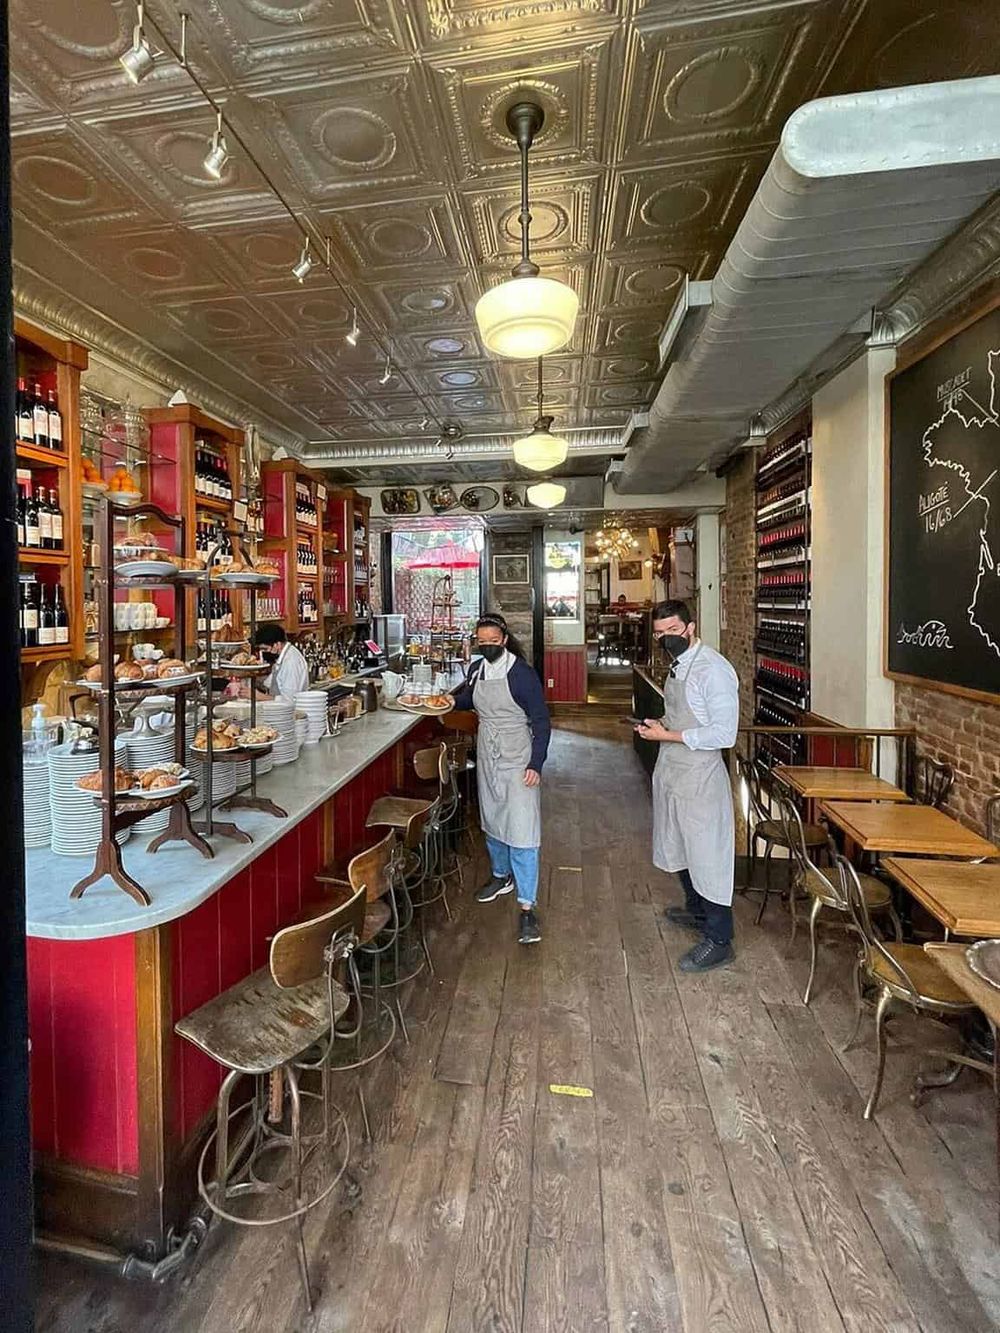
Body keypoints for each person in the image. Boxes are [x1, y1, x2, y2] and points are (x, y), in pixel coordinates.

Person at [636, 600, 739, 973]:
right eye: (660, 634)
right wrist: (658, 723)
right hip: (673, 770)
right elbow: (680, 714)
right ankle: (696, 911)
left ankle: (719, 938)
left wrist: (670, 733)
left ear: (691, 628)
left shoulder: (713, 670)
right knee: (678, 844)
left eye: (672, 632)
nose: (665, 640)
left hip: (700, 776)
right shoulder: (678, 667)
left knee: (706, 855)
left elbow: (724, 733)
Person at [449, 613, 551, 945]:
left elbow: (541, 721)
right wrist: (449, 701)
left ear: (504, 640)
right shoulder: (478, 669)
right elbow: (468, 699)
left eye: (494, 641)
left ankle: (527, 907)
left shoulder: (522, 674)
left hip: (518, 755)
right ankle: (500, 876)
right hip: (488, 753)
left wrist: (536, 762)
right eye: (483, 642)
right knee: (492, 818)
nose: (488, 646)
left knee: (522, 826)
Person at [253, 623, 309, 702]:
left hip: (290, 712)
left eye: (265, 649)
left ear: (277, 644)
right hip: (281, 711)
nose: (263, 652)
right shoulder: (284, 656)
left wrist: (258, 696)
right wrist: (251, 680)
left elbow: (289, 700)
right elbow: (271, 683)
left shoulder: (290, 662)